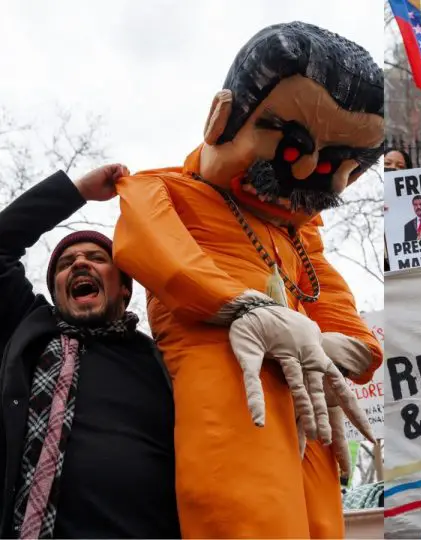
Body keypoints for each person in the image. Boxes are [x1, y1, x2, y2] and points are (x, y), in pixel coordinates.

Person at [111, 22, 382, 538]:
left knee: (322, 523)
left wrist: (350, 347)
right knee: (247, 517)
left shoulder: (303, 235)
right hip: (229, 380)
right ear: (221, 116)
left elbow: (337, 305)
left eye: (337, 165)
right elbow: (161, 255)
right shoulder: (163, 190)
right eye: (291, 146)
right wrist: (247, 308)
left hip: (310, 381)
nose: (305, 173)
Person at [0, 165, 180, 538]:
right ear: (56, 294)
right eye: (66, 264)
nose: (80, 263)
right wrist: (76, 190)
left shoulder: (164, 361)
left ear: (124, 290)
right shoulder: (29, 335)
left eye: (97, 259)